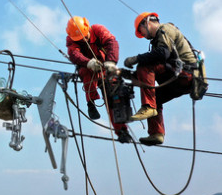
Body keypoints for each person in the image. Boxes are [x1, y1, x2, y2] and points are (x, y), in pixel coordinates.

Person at [123, 12, 197, 145]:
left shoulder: (165, 29)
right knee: (155, 98)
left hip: (185, 74)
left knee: (144, 65)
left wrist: (136, 59)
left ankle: (148, 107)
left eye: (142, 31)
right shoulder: (158, 38)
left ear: (146, 22)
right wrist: (124, 74)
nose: (144, 36)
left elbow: (163, 54)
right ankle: (156, 134)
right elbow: (148, 74)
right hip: (179, 79)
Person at [66, 16, 133, 143]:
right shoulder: (71, 39)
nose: (83, 40)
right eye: (80, 39)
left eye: (85, 36)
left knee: (114, 98)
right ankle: (91, 103)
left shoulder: (98, 30)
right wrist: (88, 63)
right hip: (88, 68)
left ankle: (122, 131)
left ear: (87, 29)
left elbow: (111, 42)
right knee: (85, 72)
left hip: (106, 68)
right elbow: (74, 54)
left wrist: (111, 62)